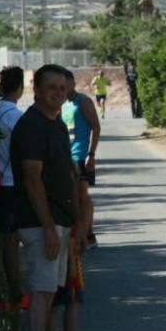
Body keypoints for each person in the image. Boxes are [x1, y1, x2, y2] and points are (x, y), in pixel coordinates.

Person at [10, 64, 85, 331]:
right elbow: (32, 178)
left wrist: (77, 221)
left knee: (51, 291)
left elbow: (67, 175)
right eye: (51, 87)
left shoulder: (54, 123)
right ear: (36, 91)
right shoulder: (31, 126)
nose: (57, 93)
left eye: (62, 87)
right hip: (41, 223)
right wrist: (49, 229)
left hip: (59, 222)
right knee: (41, 292)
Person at [0, 66, 25, 313]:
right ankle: (15, 296)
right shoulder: (16, 117)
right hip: (10, 184)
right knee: (9, 241)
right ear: (20, 88)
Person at [62, 70, 101, 249]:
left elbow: (95, 127)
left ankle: (85, 235)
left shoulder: (83, 102)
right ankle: (89, 233)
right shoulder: (63, 104)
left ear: (73, 83)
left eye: (66, 85)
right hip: (66, 155)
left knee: (81, 195)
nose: (63, 88)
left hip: (80, 155)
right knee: (75, 196)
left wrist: (91, 155)